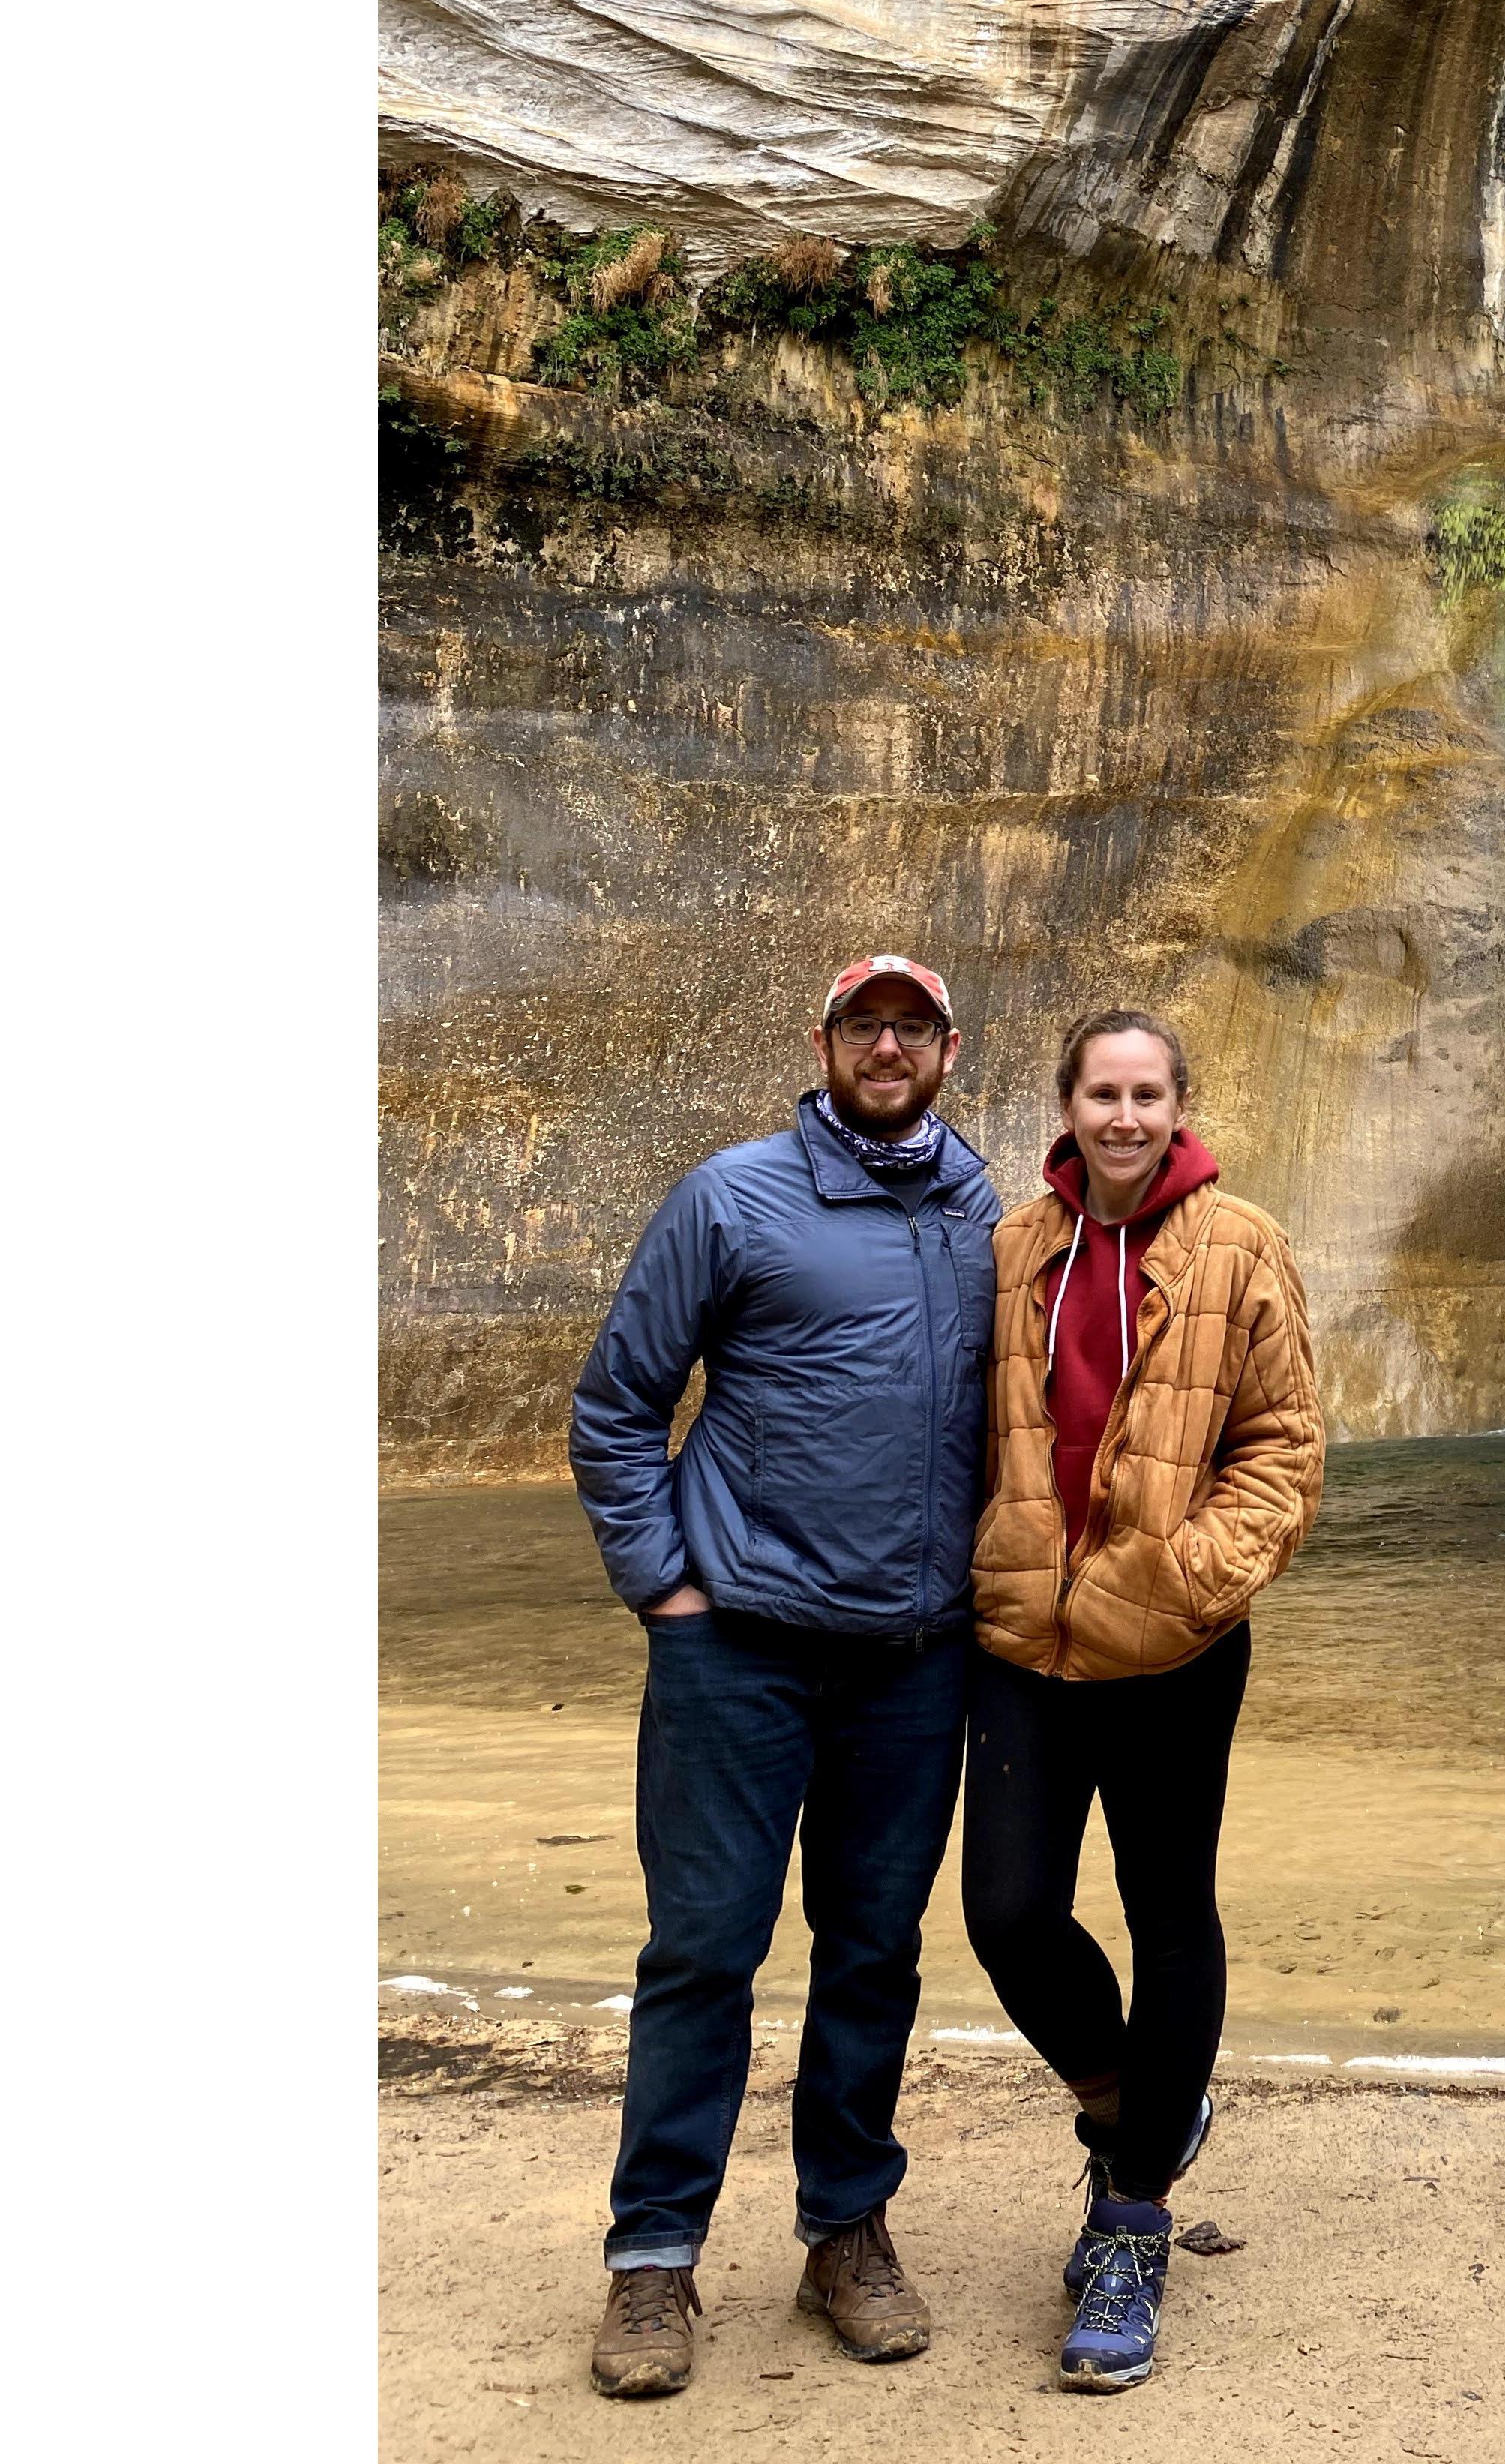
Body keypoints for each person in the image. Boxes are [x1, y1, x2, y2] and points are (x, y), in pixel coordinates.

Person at [565, 957, 1000, 2400]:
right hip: (738, 1646)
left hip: (915, 1655)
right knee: (704, 1953)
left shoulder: (990, 1213)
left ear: (949, 1049)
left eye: (913, 1025)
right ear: (823, 1044)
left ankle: (845, 2235)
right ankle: (652, 2261)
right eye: (865, 1024)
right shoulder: (732, 1196)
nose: (889, 1045)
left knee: (874, 1953)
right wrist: (666, 1589)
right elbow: (618, 1404)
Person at [961, 1008, 1324, 2391]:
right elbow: (969, 1434)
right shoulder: (1012, 1249)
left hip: (1174, 1647)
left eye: (1147, 1093)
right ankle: (1134, 2116)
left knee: (1171, 1914)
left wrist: (1182, 1580)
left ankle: (1131, 2227)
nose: (1124, 1115)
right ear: (1067, 1106)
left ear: (1179, 1108)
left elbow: (1285, 1447)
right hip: (1025, 1643)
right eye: (1102, 1093)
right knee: (1005, 1910)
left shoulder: (1243, 1248)